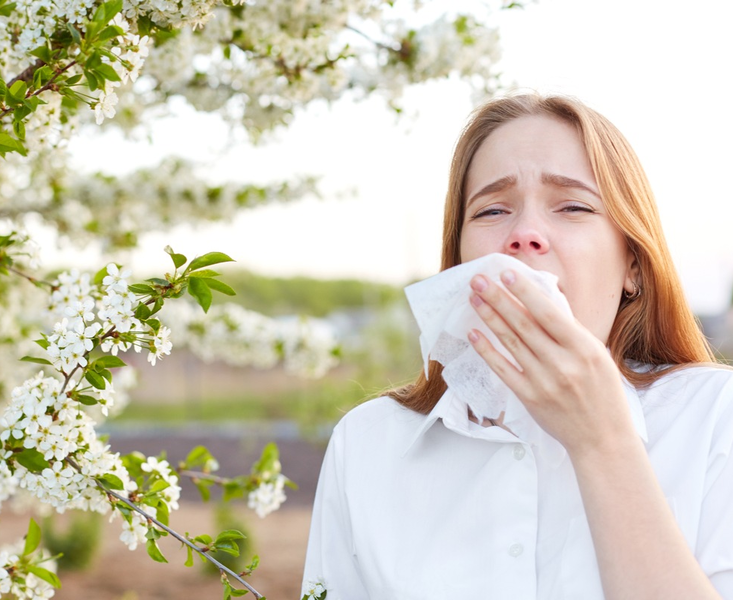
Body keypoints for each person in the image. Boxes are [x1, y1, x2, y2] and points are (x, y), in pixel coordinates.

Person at [301, 93, 733, 600]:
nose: (525, 234)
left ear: (633, 266)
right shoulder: (367, 443)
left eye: (573, 206)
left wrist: (602, 442)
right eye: (492, 210)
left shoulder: (714, 417)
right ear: (459, 259)